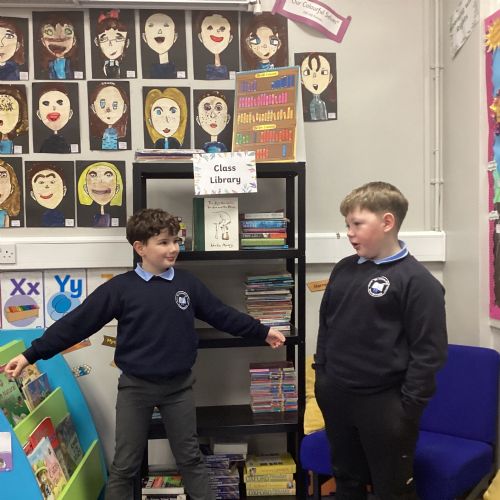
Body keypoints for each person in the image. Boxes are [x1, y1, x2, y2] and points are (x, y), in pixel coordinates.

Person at [5, 208, 286, 500]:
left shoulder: (187, 284)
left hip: (179, 388)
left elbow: (222, 315)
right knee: (125, 465)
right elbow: (77, 323)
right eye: (163, 242)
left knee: (190, 458)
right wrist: (30, 355)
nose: (173, 248)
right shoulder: (121, 288)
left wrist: (262, 331)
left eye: (175, 241)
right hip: (135, 388)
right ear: (140, 248)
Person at [314, 182, 447, 500]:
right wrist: (323, 377)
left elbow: (428, 353)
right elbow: (327, 325)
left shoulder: (417, 281)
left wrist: (407, 410)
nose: (349, 233)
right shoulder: (344, 269)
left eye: (357, 224)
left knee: (393, 489)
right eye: (347, 225)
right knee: (346, 480)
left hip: (385, 404)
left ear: (387, 222)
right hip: (337, 396)